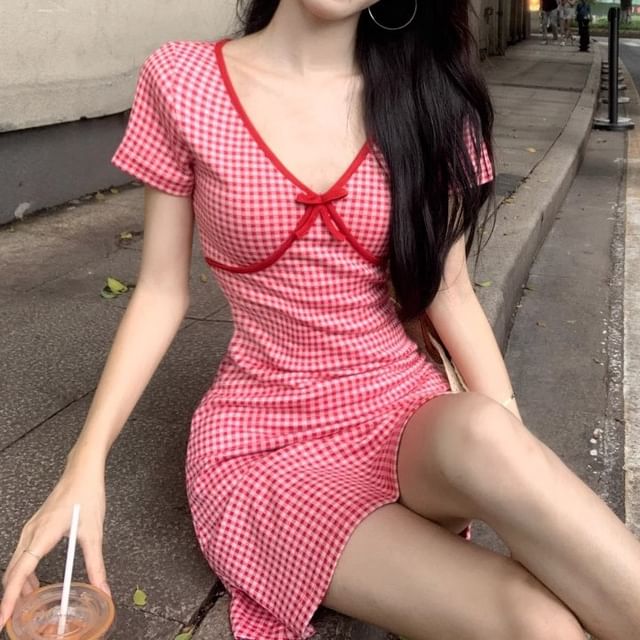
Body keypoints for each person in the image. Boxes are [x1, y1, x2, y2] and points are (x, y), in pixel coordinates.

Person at [3, 1, 640, 639]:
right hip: (265, 447)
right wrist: (84, 464)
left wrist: (516, 471)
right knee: (539, 623)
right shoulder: (183, 81)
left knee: (486, 428)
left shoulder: (428, 97)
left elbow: (448, 291)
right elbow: (162, 292)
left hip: (405, 412)